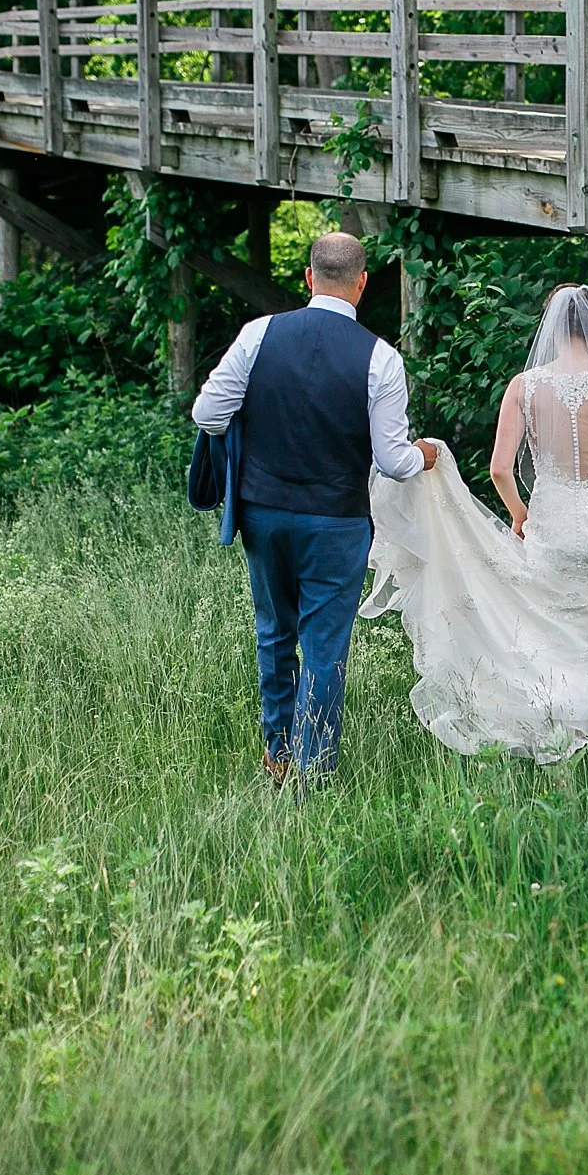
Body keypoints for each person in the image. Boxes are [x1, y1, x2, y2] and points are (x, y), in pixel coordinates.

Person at [362, 284, 588, 762]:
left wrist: (519, 513)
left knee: (556, 624)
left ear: (548, 324)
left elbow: (500, 469)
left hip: (553, 527)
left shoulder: (523, 387)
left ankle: (556, 717)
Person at [191, 232, 438, 783]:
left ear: (307, 278)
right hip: (337, 522)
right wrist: (424, 455)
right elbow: (394, 462)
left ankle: (277, 752)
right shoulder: (381, 358)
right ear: (363, 284)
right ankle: (314, 768)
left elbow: (207, 412)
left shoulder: (259, 336)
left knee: (273, 632)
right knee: (323, 648)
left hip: (263, 513)